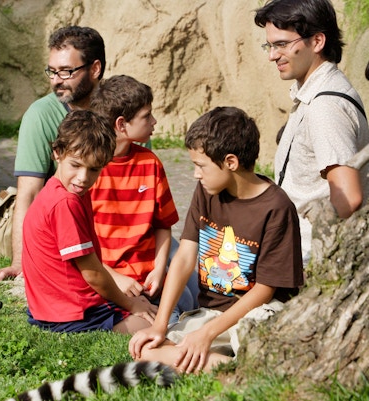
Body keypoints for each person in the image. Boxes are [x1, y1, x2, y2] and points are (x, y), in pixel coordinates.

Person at [128, 106, 304, 373]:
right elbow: (185, 257)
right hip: (212, 311)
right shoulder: (207, 190)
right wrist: (160, 324)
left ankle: (236, 368)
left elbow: (265, 290)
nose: (195, 174)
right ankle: (231, 369)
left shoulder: (276, 207)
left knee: (243, 348)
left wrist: (207, 334)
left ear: (230, 162)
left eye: (200, 166)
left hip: (258, 312)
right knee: (145, 351)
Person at [0, 25, 105, 281]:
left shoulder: (122, 107)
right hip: (68, 231)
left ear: (95, 69)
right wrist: (20, 263)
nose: (56, 80)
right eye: (52, 71)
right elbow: (28, 193)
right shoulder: (40, 115)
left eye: (66, 71)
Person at [22, 109, 158, 334]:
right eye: (76, 165)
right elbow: (93, 274)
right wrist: (130, 304)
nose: (84, 177)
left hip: (53, 307)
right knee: (154, 323)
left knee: (152, 309)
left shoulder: (62, 191)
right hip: (69, 314)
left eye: (94, 169)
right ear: (57, 153)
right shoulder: (65, 202)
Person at [254, 0, 369, 264]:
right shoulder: (316, 95)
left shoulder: (324, 106)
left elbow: (348, 198)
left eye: (282, 44)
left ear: (317, 42)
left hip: (309, 262)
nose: (272, 55)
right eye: (270, 45)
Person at [89, 75, 196, 322]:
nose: (154, 121)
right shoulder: (89, 171)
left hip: (148, 277)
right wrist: (115, 278)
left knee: (189, 298)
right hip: (108, 281)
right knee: (171, 323)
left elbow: (162, 224)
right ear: (121, 124)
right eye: (147, 116)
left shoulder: (150, 163)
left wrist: (159, 270)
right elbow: (80, 243)